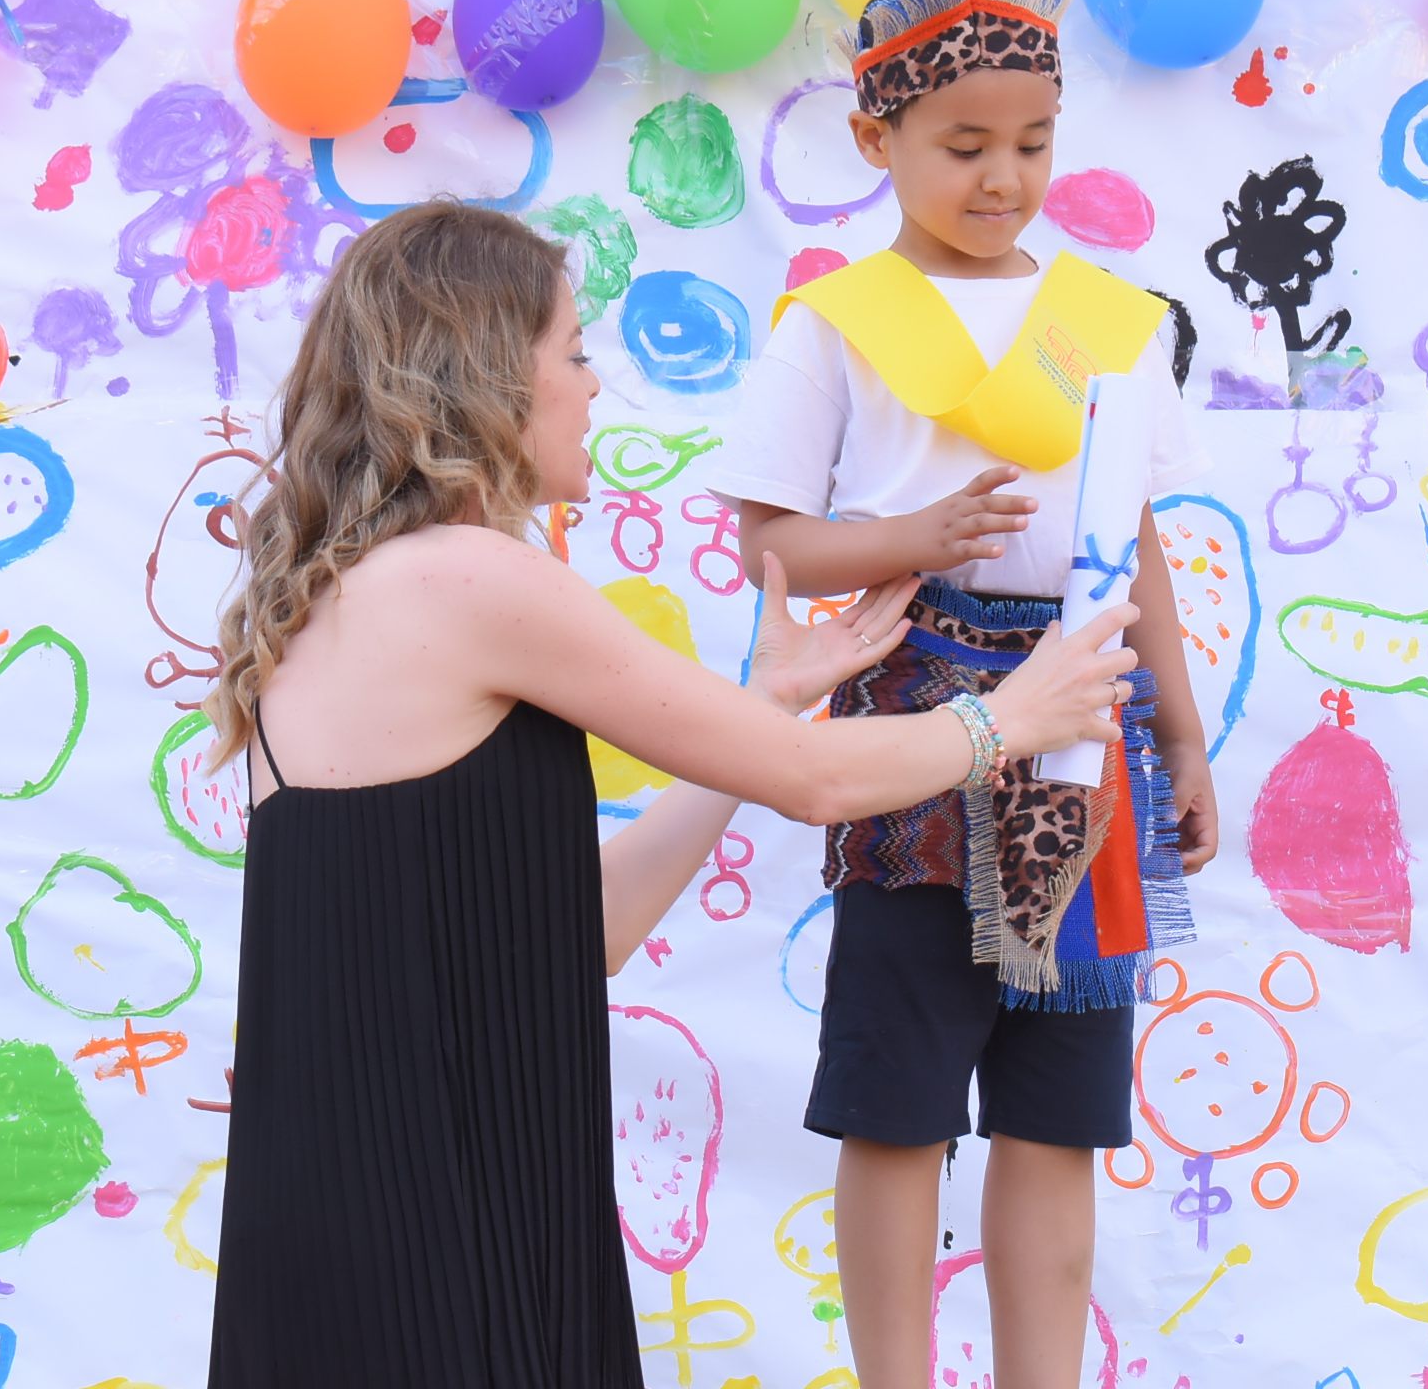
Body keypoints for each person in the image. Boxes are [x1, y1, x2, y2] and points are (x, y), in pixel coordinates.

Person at [200, 200, 1138, 1389]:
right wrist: (1011, 716)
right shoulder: (472, 576)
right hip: (434, 1221)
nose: (594, 385)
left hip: (367, 1210)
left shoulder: (346, 603)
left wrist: (765, 698)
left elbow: (581, 926)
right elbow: (813, 785)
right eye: (573, 351)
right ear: (486, 371)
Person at [706, 0, 1222, 1389]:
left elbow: (1134, 541)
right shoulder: (836, 323)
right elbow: (773, 548)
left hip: (1082, 721)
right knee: (900, 1102)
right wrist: (916, 536)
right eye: (966, 147)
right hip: (914, 732)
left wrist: (1179, 728)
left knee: (1063, 1111)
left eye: (1035, 144)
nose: (1006, 179)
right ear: (876, 141)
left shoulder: (1106, 321)